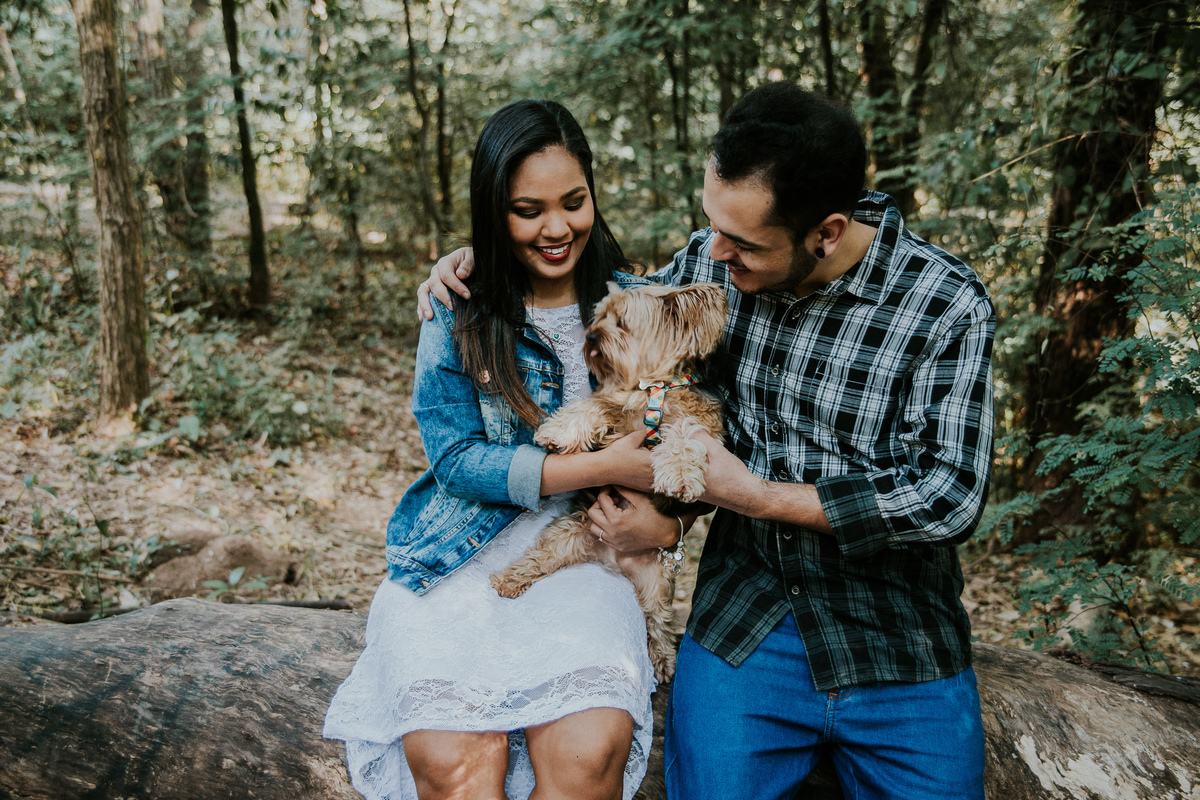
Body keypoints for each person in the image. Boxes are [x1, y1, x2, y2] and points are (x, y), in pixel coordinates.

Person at [419, 82, 995, 800]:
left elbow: (949, 496)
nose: (713, 251)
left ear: (826, 230)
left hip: (896, 632)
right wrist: (478, 255)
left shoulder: (943, 304)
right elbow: (607, 300)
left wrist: (753, 495)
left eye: (743, 242)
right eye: (712, 226)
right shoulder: (710, 265)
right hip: (747, 617)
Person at [324, 98, 685, 800]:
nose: (558, 228)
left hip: (584, 557)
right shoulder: (458, 308)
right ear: (495, 213)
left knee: (586, 758)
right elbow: (456, 462)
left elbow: (682, 445)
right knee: (455, 764)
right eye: (528, 211)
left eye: (574, 202)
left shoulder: (642, 305)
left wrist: (668, 522)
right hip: (456, 558)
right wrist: (600, 465)